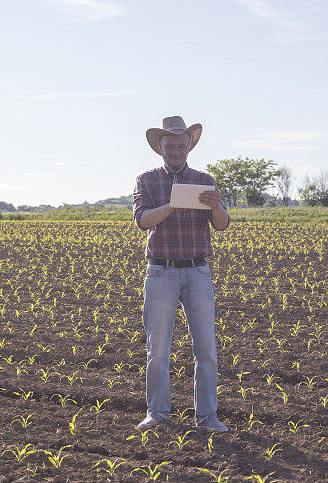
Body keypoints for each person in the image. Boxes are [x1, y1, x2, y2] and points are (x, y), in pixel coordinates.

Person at [132, 115, 230, 432]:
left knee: (207, 350)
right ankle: (157, 413)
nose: (175, 149)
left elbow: (222, 224)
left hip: (198, 271)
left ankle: (207, 417)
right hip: (160, 271)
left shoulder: (205, 179)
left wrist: (216, 205)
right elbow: (143, 220)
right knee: (157, 350)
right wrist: (173, 205)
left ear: (189, 147)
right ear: (160, 148)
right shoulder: (146, 180)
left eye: (180, 144)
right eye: (170, 145)